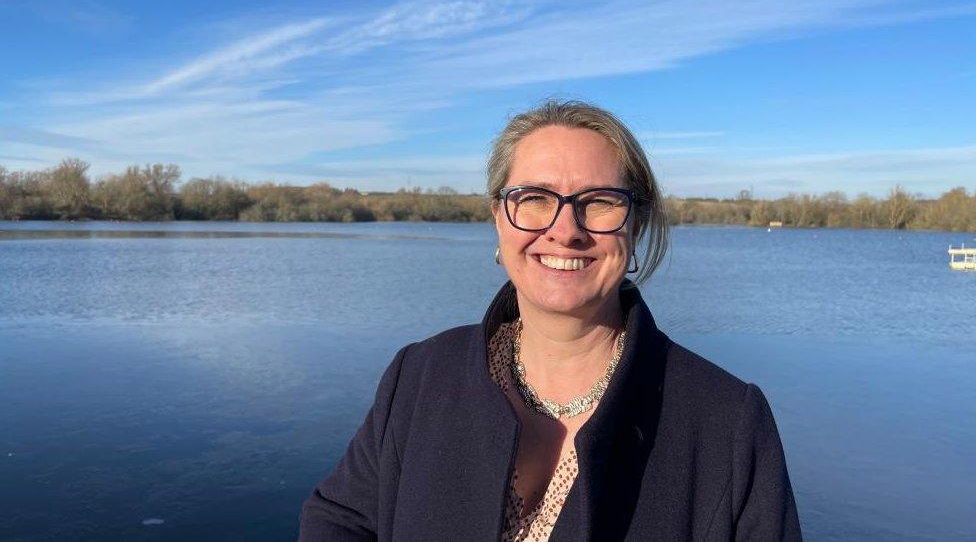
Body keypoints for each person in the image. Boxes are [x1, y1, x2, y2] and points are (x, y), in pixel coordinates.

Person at [299, 100, 801, 541]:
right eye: (535, 199)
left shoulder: (728, 423)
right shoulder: (420, 375)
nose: (565, 231)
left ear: (636, 225)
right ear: (499, 218)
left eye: (599, 202)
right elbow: (340, 519)